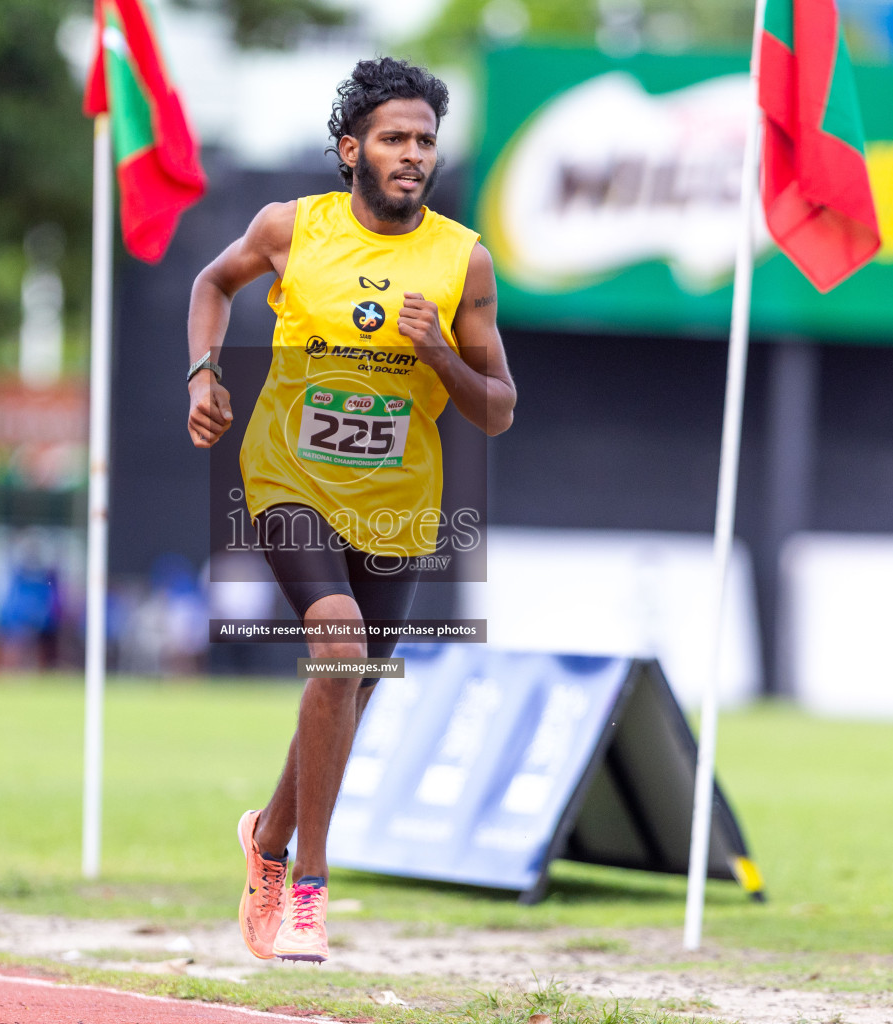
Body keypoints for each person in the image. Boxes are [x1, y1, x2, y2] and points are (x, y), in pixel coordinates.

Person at [185, 57, 517, 963]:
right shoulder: (291, 229)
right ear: (352, 149)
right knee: (338, 646)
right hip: (288, 473)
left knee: (354, 683)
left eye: (425, 142)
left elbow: (497, 405)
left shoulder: (463, 259)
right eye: (395, 139)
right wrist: (203, 374)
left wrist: (439, 353)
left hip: (400, 500)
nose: (414, 155)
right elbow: (210, 286)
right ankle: (309, 889)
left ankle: (264, 843)